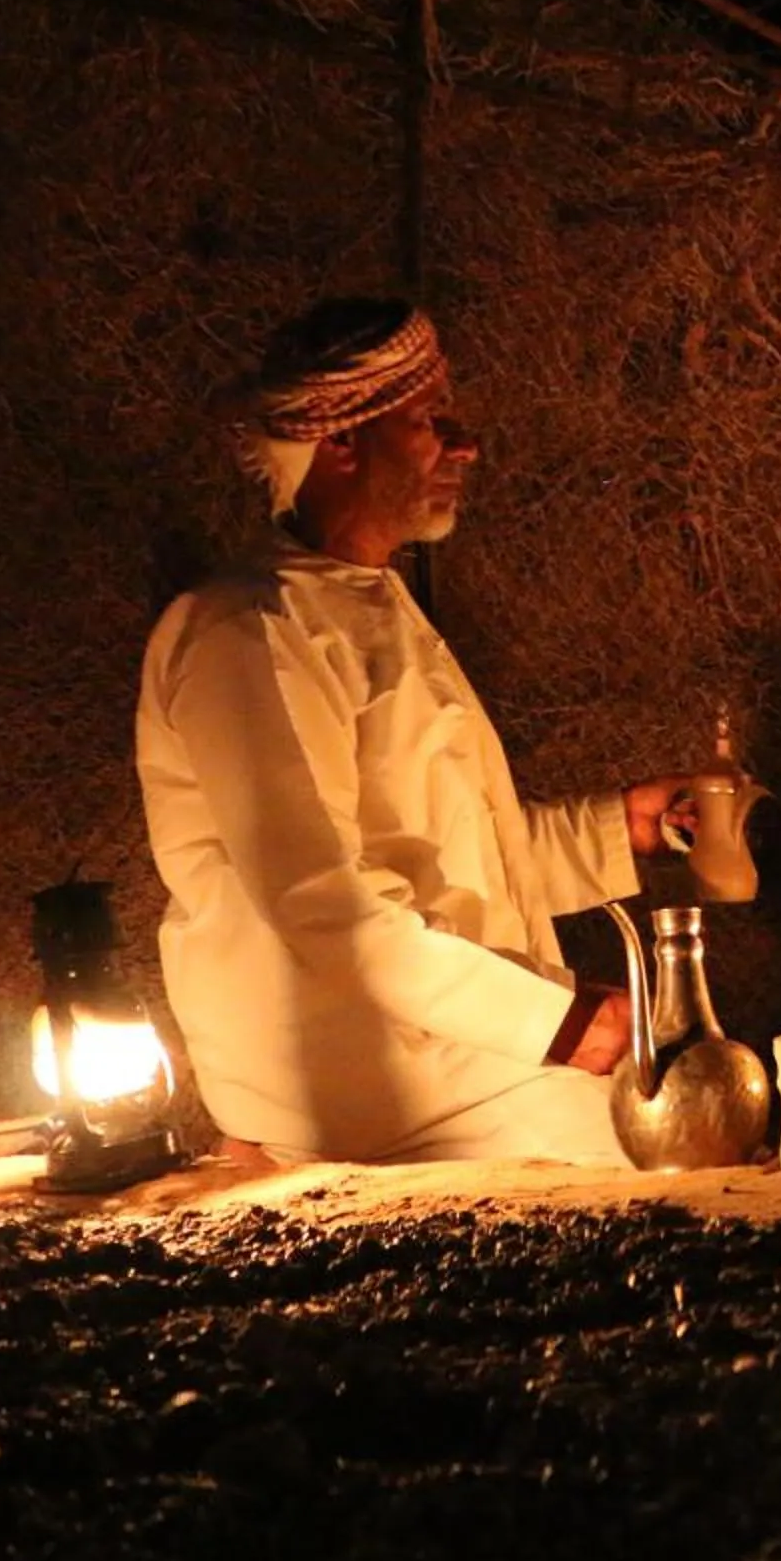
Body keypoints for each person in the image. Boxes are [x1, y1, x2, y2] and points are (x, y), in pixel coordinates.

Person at [137, 297, 701, 1163]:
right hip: (375, 1096)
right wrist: (556, 1022)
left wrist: (617, 832)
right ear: (342, 444)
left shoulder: (366, 600)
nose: (464, 445)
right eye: (429, 422)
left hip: (462, 1066)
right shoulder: (248, 633)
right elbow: (325, 907)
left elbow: (451, 860)